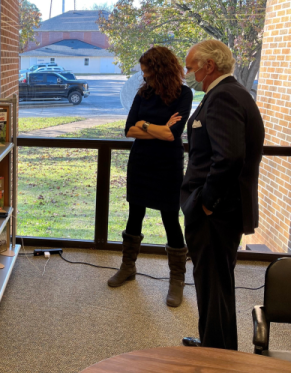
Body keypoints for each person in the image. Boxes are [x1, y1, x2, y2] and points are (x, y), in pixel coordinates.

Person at [180, 40, 265, 349]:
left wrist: (206, 203)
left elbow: (229, 157)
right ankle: (217, 346)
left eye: (190, 67)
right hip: (223, 211)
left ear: (209, 67)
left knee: (213, 286)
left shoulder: (224, 97)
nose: (188, 73)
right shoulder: (228, 93)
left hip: (217, 213)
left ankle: (216, 358)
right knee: (216, 286)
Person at [108, 46, 193, 308]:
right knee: (135, 214)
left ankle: (177, 280)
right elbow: (129, 129)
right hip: (141, 162)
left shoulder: (184, 94)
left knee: (170, 217)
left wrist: (146, 125)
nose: (144, 77)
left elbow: (173, 135)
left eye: (147, 72)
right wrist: (154, 127)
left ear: (160, 70)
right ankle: (128, 267)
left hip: (167, 165)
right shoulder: (143, 93)